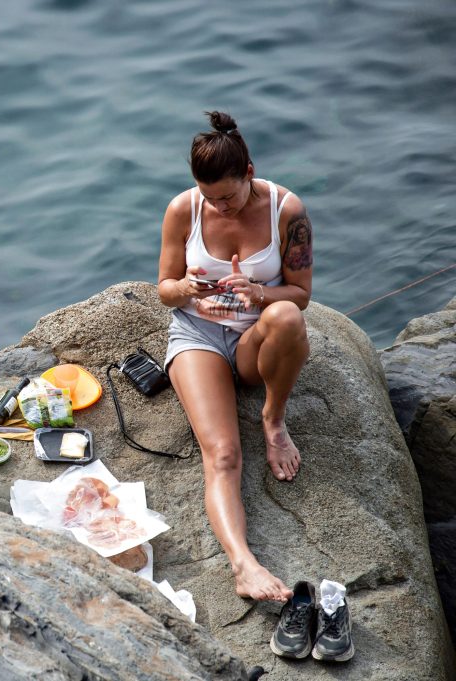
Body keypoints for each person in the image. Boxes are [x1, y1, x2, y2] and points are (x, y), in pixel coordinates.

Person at [157, 111, 313, 602]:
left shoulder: (287, 211)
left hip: (254, 341)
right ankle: (243, 566)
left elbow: (301, 294)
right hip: (198, 336)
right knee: (223, 453)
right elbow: (163, 289)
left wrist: (258, 293)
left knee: (288, 318)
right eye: (209, 198)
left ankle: (273, 420)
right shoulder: (183, 210)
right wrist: (187, 290)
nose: (218, 207)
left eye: (226, 196)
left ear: (249, 173)